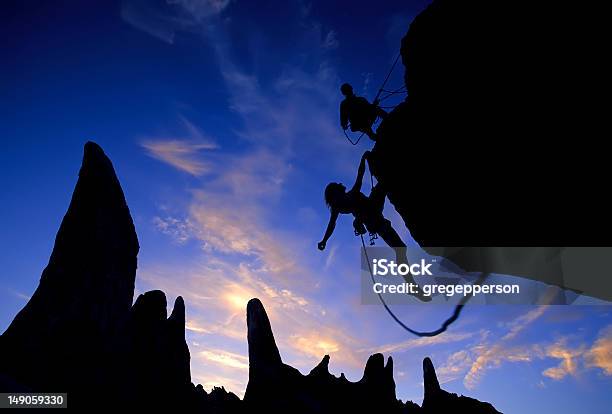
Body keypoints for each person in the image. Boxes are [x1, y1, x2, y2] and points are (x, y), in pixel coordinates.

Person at [318, 151, 430, 301]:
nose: (340, 183)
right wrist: (363, 159)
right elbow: (360, 175)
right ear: (335, 193)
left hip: (374, 215)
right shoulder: (348, 198)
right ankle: (410, 284)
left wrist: (325, 240)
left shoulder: (341, 205)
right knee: (400, 248)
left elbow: (332, 224)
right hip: (375, 217)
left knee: (400, 248)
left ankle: (410, 284)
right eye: (337, 185)